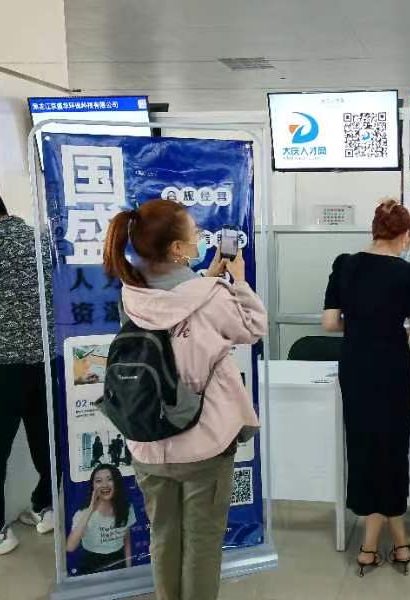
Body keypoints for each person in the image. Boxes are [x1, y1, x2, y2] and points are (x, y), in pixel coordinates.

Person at [103, 199, 267, 600]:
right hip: (203, 440)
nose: (200, 239)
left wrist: (205, 279)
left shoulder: (131, 293)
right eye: (194, 234)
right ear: (177, 249)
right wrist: (237, 282)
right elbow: (253, 328)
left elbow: (174, 310)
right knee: (202, 543)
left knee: (162, 536)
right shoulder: (212, 296)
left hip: (147, 441)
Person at [322, 199, 410, 577]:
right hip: (392, 369)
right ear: (406, 235)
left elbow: (330, 323)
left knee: (363, 447)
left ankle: (387, 540)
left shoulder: (344, 265)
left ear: (374, 230)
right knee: (392, 450)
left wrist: (362, 326)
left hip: (355, 367)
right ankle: (379, 543)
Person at [0, 187, 57, 556]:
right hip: (47, 360)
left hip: (1, 364)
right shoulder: (43, 240)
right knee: (45, 438)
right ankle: (46, 507)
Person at [66, 464, 135, 575]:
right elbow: (70, 547)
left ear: (116, 483)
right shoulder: (82, 513)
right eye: (98, 481)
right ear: (93, 486)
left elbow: (126, 539)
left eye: (109, 479)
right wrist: (90, 510)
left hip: (118, 560)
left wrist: (128, 567)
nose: (104, 485)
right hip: (91, 564)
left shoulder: (127, 509)